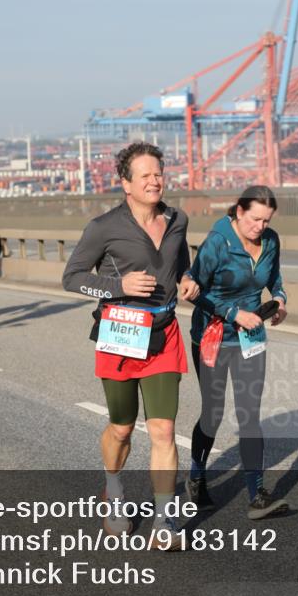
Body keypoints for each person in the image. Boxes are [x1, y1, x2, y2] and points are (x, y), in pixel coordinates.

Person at [62, 142, 199, 549]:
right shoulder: (103, 227)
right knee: (122, 428)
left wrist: (190, 281)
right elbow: (71, 278)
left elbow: (181, 265)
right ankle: (113, 489)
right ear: (126, 183)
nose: (155, 180)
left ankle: (163, 521)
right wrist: (117, 286)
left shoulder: (178, 218)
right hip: (121, 333)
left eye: (158, 172)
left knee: (163, 430)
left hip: (165, 332)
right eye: (145, 175)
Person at [184, 185, 290, 519]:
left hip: (251, 337)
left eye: (266, 220)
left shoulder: (271, 241)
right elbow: (192, 290)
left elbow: (274, 277)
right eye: (255, 219)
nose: (260, 226)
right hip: (213, 337)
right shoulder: (218, 242)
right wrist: (232, 314)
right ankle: (197, 477)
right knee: (213, 413)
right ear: (239, 211)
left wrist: (281, 298)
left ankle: (257, 495)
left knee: (249, 414)